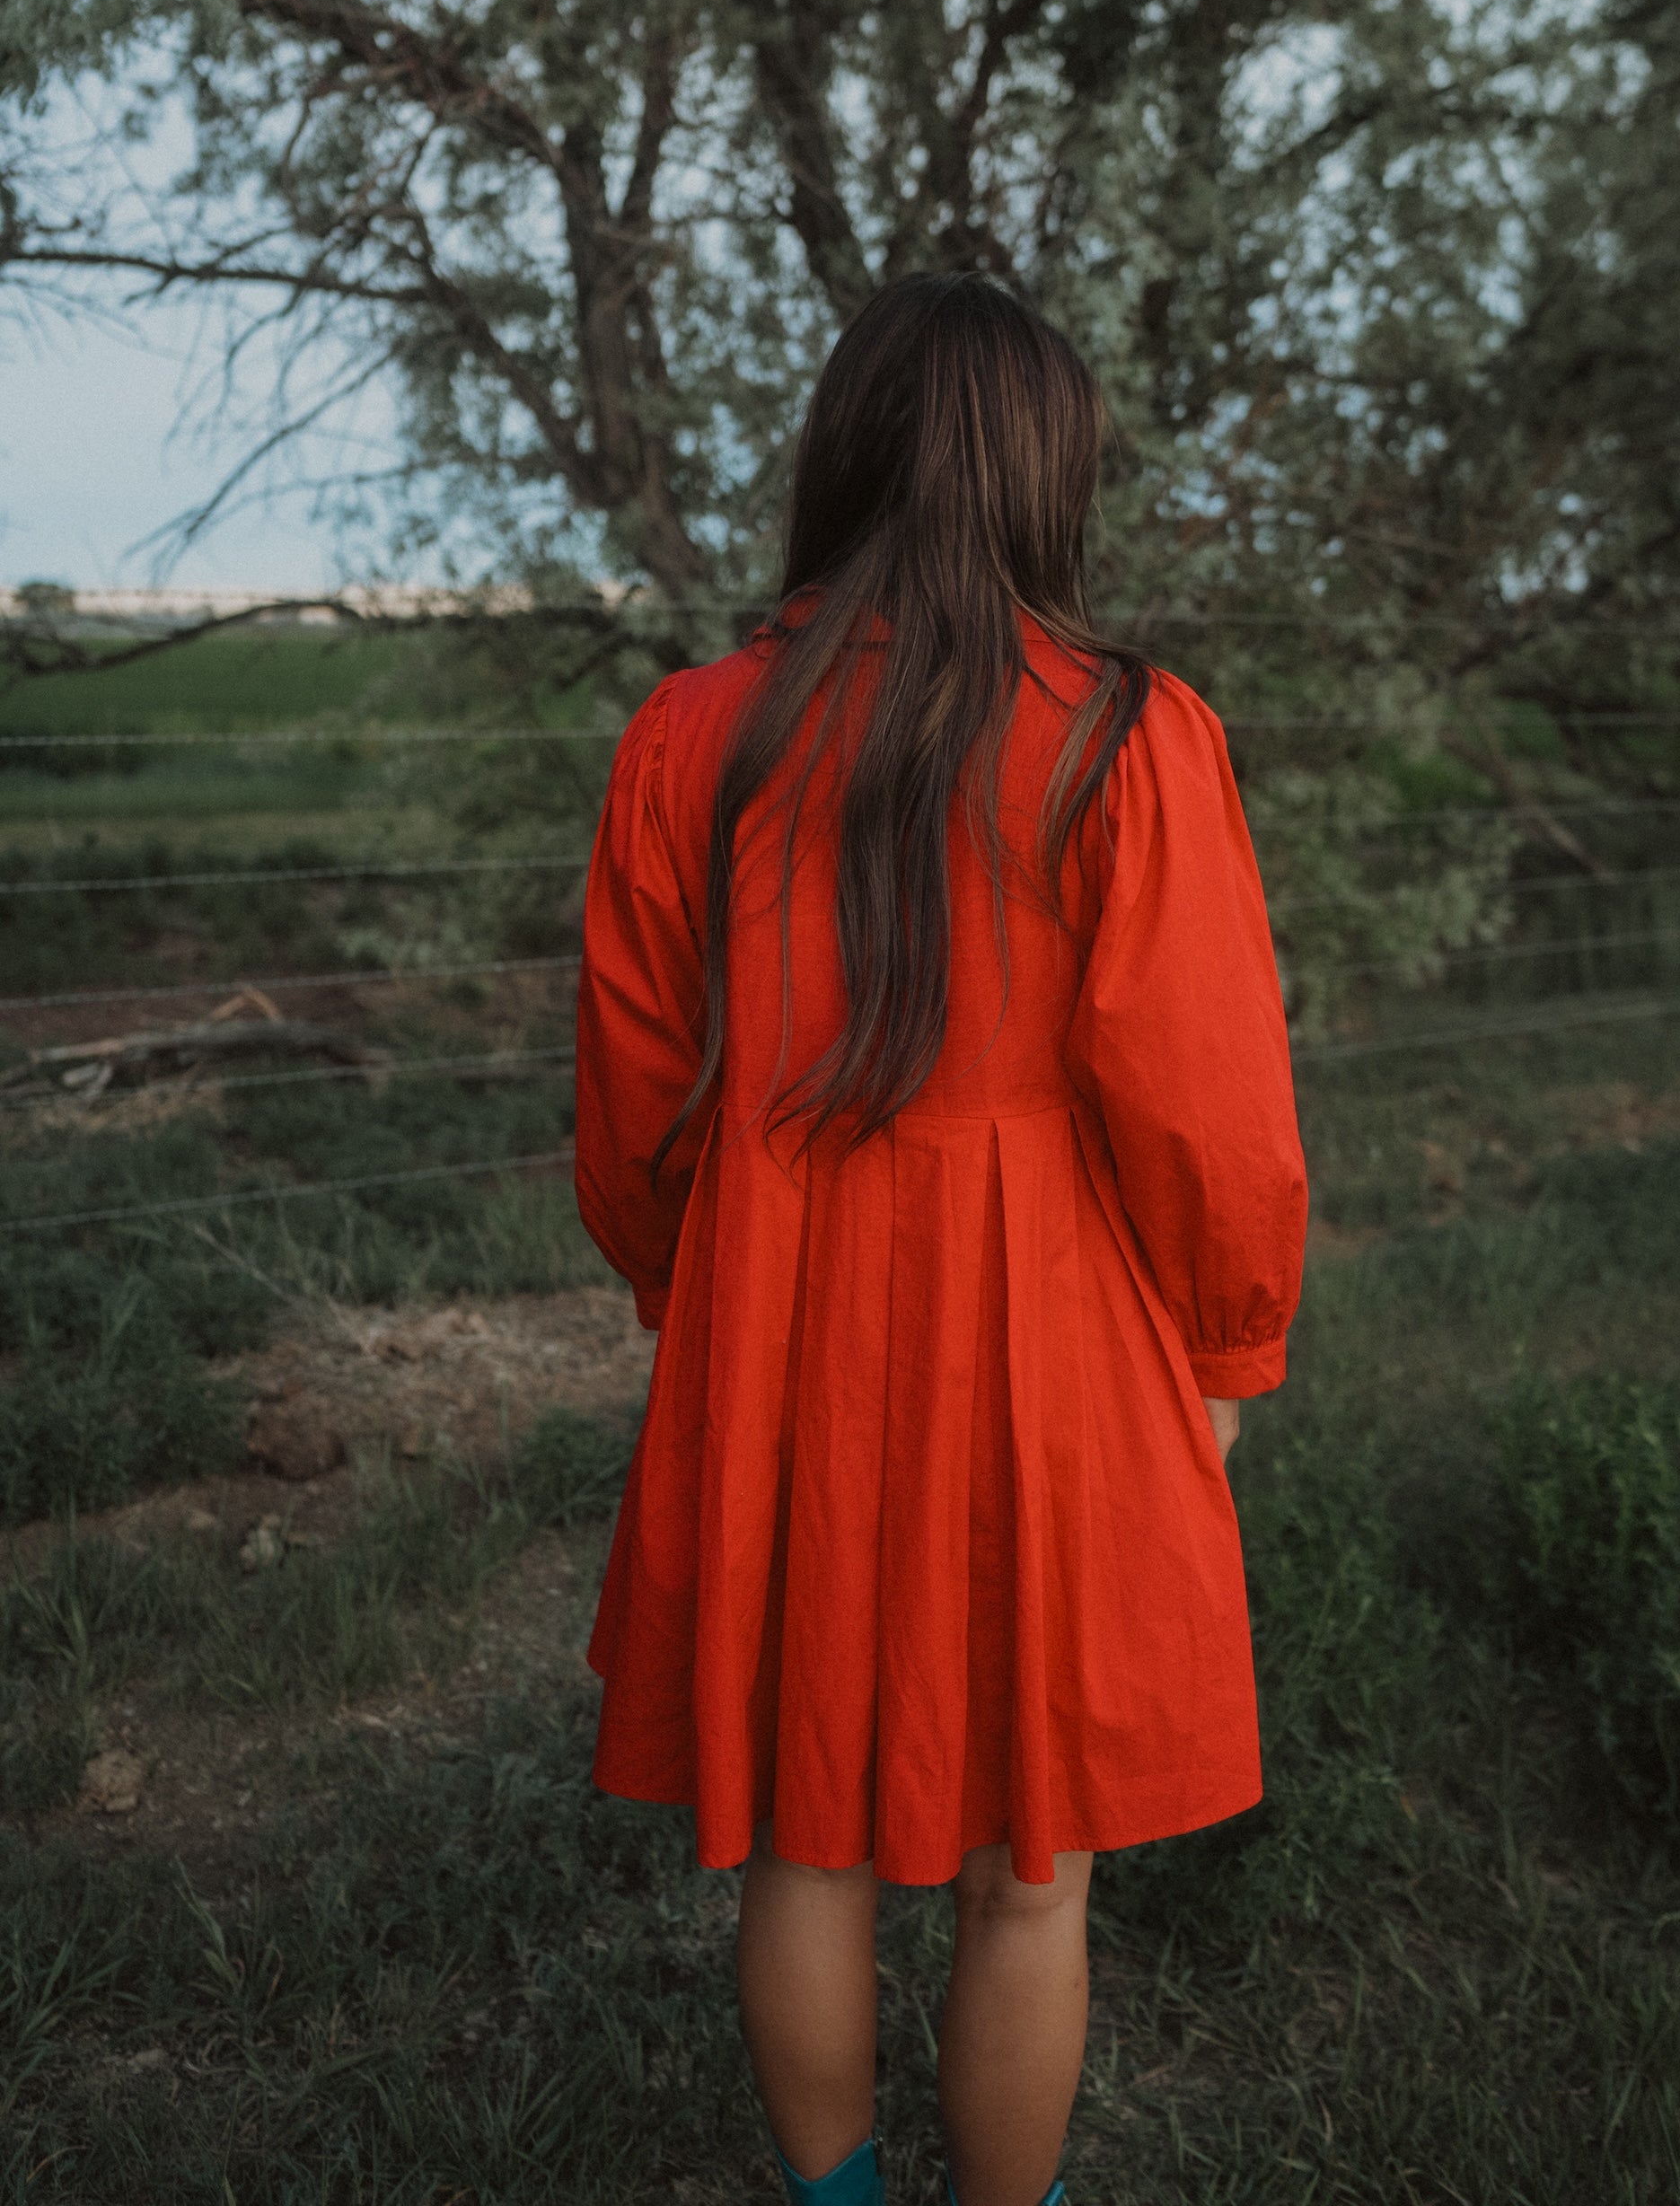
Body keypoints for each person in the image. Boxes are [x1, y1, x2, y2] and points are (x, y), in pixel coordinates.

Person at [574, 274, 1308, 2206]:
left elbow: (633, 1098)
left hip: (775, 1333)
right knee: (1028, 1863)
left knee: (799, 1832)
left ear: (844, 456)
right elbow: (1212, 1110)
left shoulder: (688, 734)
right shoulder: (1125, 734)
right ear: (1046, 477)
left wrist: (690, 1296)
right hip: (1051, 1346)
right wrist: (1227, 1350)